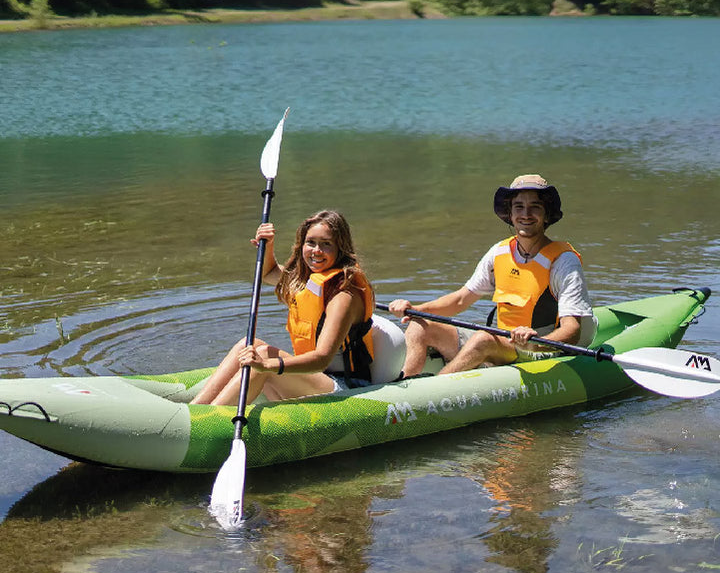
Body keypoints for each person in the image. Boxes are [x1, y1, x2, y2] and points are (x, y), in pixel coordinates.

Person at [388, 174, 595, 377]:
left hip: (540, 349)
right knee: (419, 327)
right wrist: (416, 310)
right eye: (519, 207)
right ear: (511, 214)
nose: (526, 214)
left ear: (547, 215)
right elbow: (461, 300)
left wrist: (536, 342)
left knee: (483, 339)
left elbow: (572, 330)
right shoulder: (499, 252)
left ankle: (429, 395)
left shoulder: (564, 262)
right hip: (504, 343)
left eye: (535, 207)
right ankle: (404, 386)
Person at [192, 210, 375, 406]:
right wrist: (268, 245)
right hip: (317, 379)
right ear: (301, 244)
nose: (316, 251)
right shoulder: (309, 282)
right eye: (310, 242)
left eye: (326, 244)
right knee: (248, 344)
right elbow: (270, 272)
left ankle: (210, 420)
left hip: (347, 387)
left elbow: (322, 359)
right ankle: (195, 410)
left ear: (341, 248)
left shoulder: (343, 295)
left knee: (262, 355)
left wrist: (268, 366)